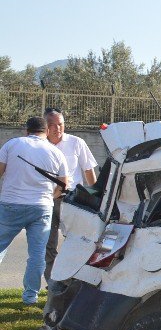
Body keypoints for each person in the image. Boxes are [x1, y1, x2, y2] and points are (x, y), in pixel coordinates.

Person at [0, 117, 68, 304]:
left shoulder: (12, 145)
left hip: (10, 204)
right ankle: (30, 296)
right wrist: (49, 197)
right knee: (37, 254)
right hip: (41, 207)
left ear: (26, 130)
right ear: (46, 131)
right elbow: (63, 185)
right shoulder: (55, 152)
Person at [43, 108, 98, 282]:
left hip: (72, 200)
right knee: (48, 244)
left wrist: (95, 195)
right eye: (52, 125)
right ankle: (52, 283)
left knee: (77, 243)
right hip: (47, 200)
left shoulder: (76, 142)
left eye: (60, 124)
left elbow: (88, 170)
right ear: (45, 126)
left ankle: (74, 281)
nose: (56, 129)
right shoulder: (40, 145)